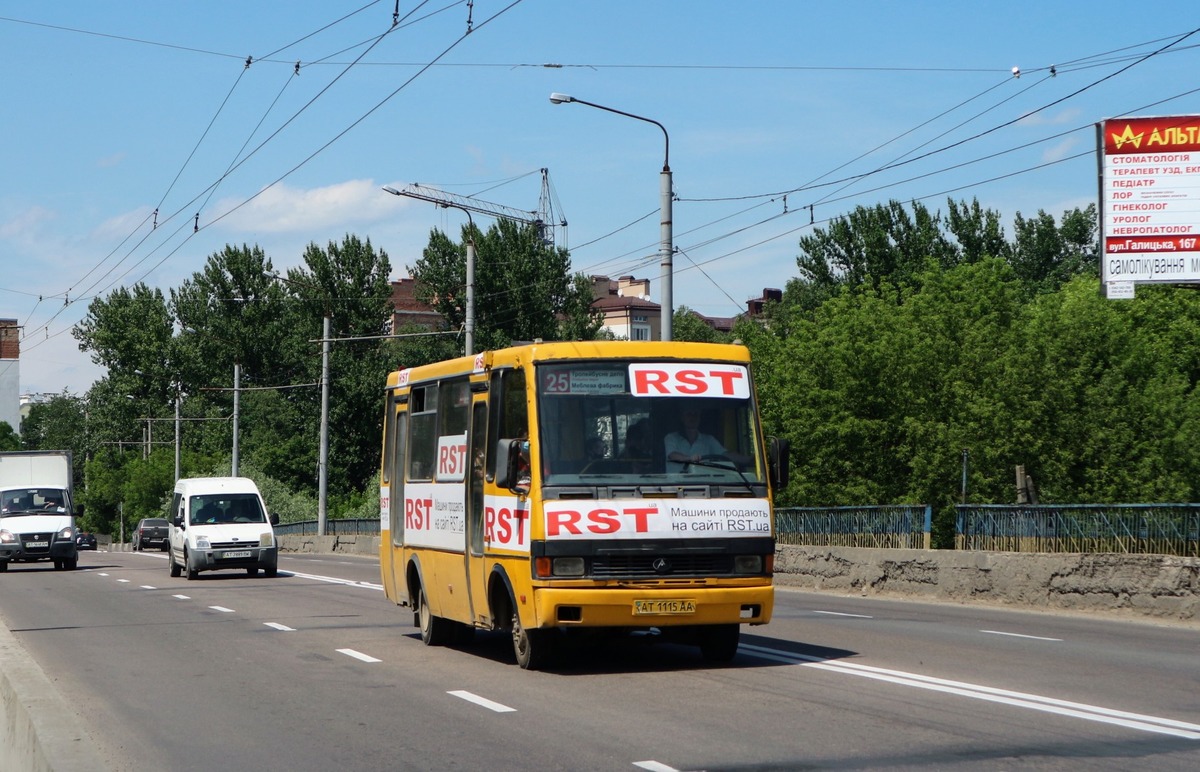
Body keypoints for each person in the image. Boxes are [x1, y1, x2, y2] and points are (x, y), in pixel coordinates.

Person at [664, 406, 732, 472]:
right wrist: (690, 459)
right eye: (689, 414)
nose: (693, 417)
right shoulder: (671, 438)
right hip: (675, 483)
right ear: (682, 417)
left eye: (696, 414)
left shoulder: (709, 440)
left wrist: (742, 459)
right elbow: (672, 455)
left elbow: (725, 455)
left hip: (704, 482)